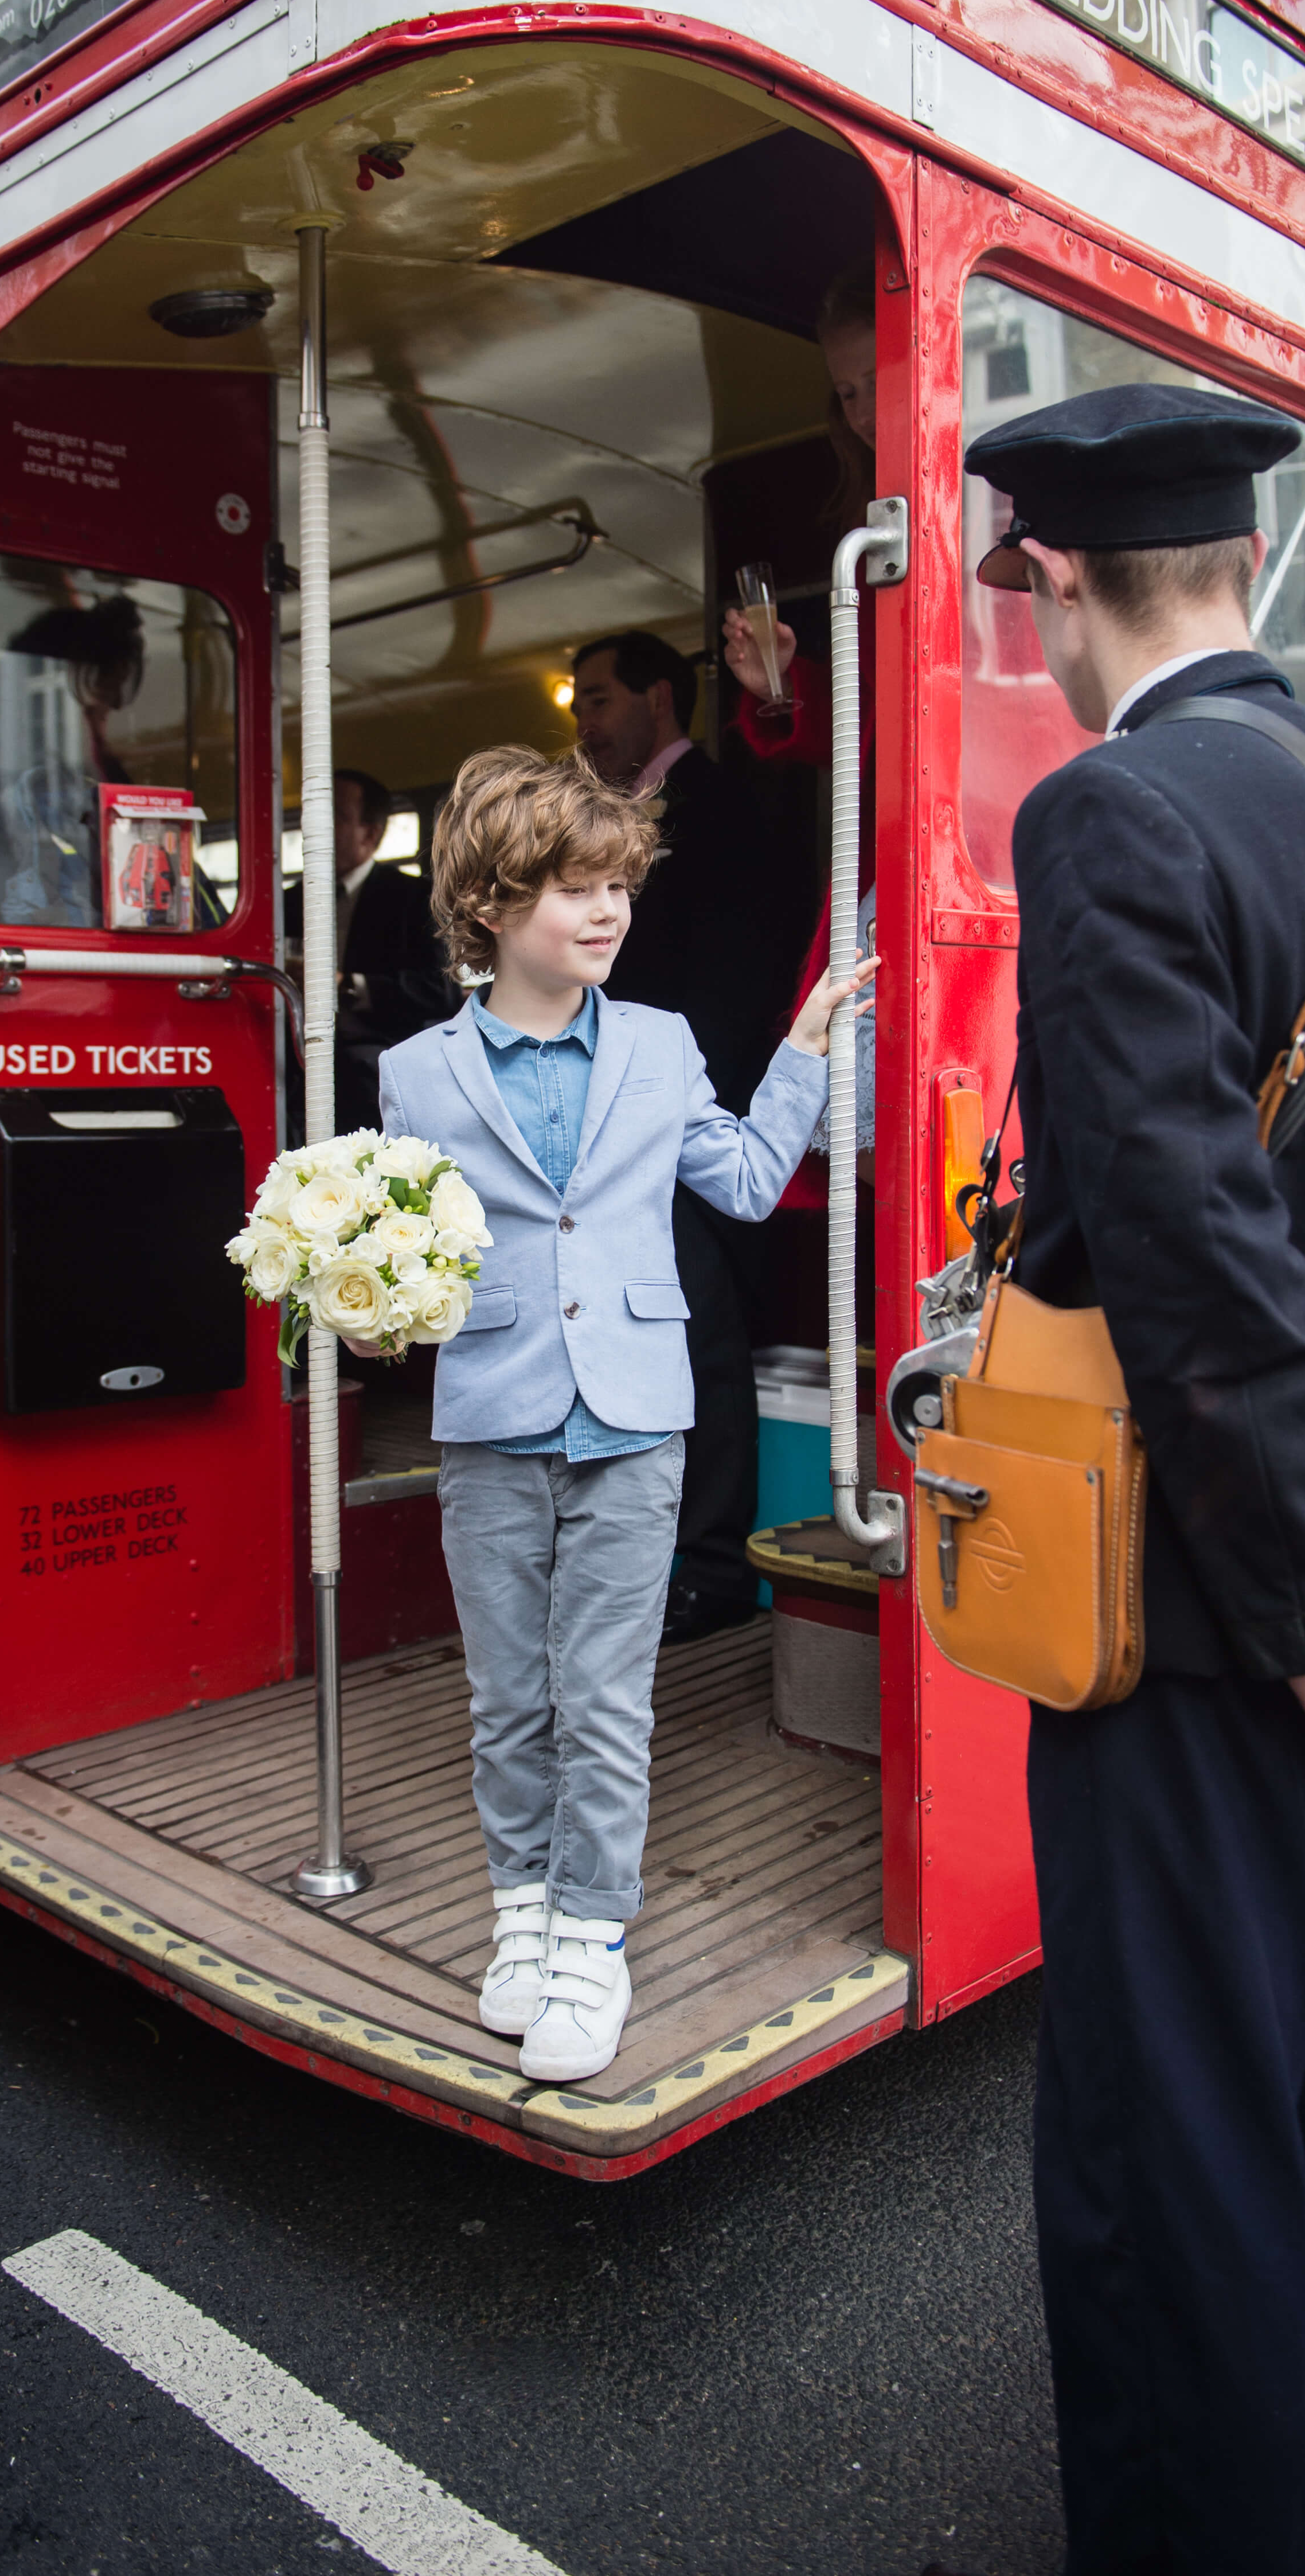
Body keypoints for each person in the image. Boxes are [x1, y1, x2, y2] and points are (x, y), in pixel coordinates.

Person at [955, 380, 1305, 2576]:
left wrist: (1299, 1638)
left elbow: (1182, 1244)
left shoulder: (1112, 818)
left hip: (1206, 1628)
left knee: (1160, 2162)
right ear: (1259, 570)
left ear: (1056, 584)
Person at [368, 747, 873, 2081]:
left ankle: (590, 1932)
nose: (604, 912)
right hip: (485, 1411)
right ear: (487, 904)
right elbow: (409, 1255)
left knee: (597, 1693)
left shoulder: (659, 1044)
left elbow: (752, 1180)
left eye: (616, 888)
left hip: (636, 1419)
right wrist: (366, 1306)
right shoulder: (415, 1073)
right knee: (505, 1694)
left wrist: (805, 1048)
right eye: (571, 889)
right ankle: (519, 1915)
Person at [570, 631, 791, 1642]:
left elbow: (734, 972)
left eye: (600, 699)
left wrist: (665, 1098)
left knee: (703, 1340)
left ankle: (710, 1565)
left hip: (685, 1108)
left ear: (661, 697)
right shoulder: (624, 812)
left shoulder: (720, 804)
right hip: (623, 1105)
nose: (583, 720)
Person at [721, 261, 880, 1208]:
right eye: (846, 389)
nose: (858, 410)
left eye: (872, 382)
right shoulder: (870, 522)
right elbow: (865, 731)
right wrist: (778, 688)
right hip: (877, 864)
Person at [314, 770, 455, 1131]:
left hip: (376, 1054)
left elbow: (441, 989)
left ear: (371, 833)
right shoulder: (290, 901)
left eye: (336, 816)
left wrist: (349, 985)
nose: (318, 826)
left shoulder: (412, 898)